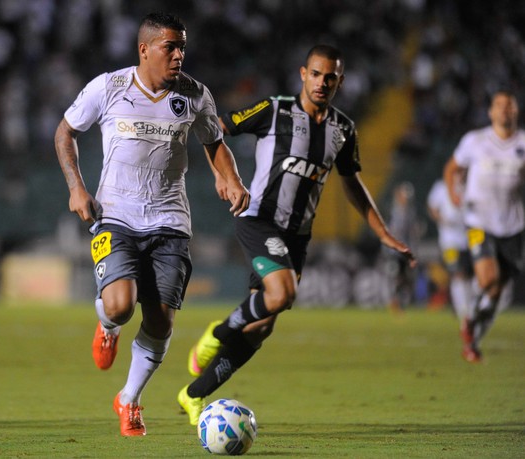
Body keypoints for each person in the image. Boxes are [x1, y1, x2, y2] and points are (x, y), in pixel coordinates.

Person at [176, 44, 416, 425]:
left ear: (340, 81)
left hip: (297, 237)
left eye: (331, 77)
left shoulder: (342, 129)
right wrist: (225, 177)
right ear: (304, 73)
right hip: (259, 219)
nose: (323, 82)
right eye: (316, 74)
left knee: (262, 326)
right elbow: (215, 129)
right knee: (282, 294)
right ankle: (218, 331)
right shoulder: (274, 110)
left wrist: (383, 231)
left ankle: (193, 394)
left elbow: (352, 184)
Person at [54, 13, 249, 436]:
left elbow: (214, 144)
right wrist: (76, 188)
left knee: (161, 321)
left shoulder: (195, 95)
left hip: (171, 221)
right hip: (116, 217)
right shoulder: (109, 87)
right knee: (121, 306)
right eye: (170, 47)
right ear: (144, 49)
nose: (179, 55)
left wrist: (230, 179)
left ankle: (129, 400)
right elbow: (65, 132)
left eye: (182, 47)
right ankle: (107, 326)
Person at [443, 90, 525, 363]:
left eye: (509, 106)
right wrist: (454, 194)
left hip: (513, 227)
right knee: (488, 279)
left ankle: (473, 339)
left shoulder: (523, 142)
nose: (504, 110)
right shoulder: (475, 141)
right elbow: (451, 168)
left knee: (497, 290)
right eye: (499, 105)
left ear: (516, 112)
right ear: (491, 112)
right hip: (479, 222)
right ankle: (469, 318)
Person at [426, 176, 475, 323]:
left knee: (468, 275)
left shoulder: (470, 185)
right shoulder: (441, 186)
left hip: (468, 239)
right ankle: (462, 310)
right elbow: (432, 208)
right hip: (449, 240)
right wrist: (443, 219)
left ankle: (469, 308)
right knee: (457, 273)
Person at [385, 181, 422, 312]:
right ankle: (394, 301)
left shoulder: (409, 212)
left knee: (406, 277)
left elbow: (412, 232)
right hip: (395, 250)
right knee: (396, 276)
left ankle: (400, 301)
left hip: (405, 249)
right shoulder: (394, 211)